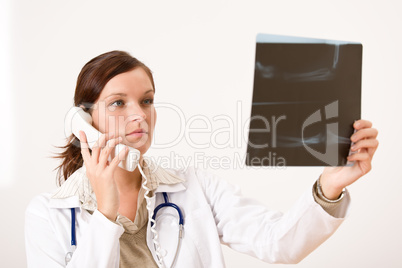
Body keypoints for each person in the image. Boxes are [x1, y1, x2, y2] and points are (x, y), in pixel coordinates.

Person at [25, 50, 379, 268]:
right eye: (119, 102)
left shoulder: (193, 187)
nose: (139, 115)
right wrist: (104, 213)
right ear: (85, 121)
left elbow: (279, 244)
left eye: (147, 100)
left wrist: (329, 185)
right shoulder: (47, 215)